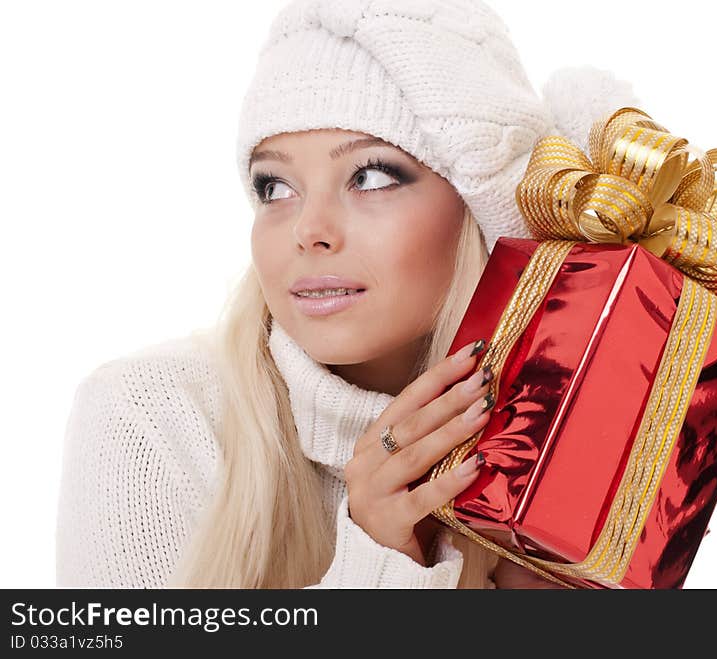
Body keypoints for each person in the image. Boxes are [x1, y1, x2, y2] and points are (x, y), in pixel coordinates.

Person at [55, 0, 639, 588]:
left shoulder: (557, 444)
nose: (308, 230)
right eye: (275, 186)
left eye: (371, 176)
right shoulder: (150, 418)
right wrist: (379, 566)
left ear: (477, 211)